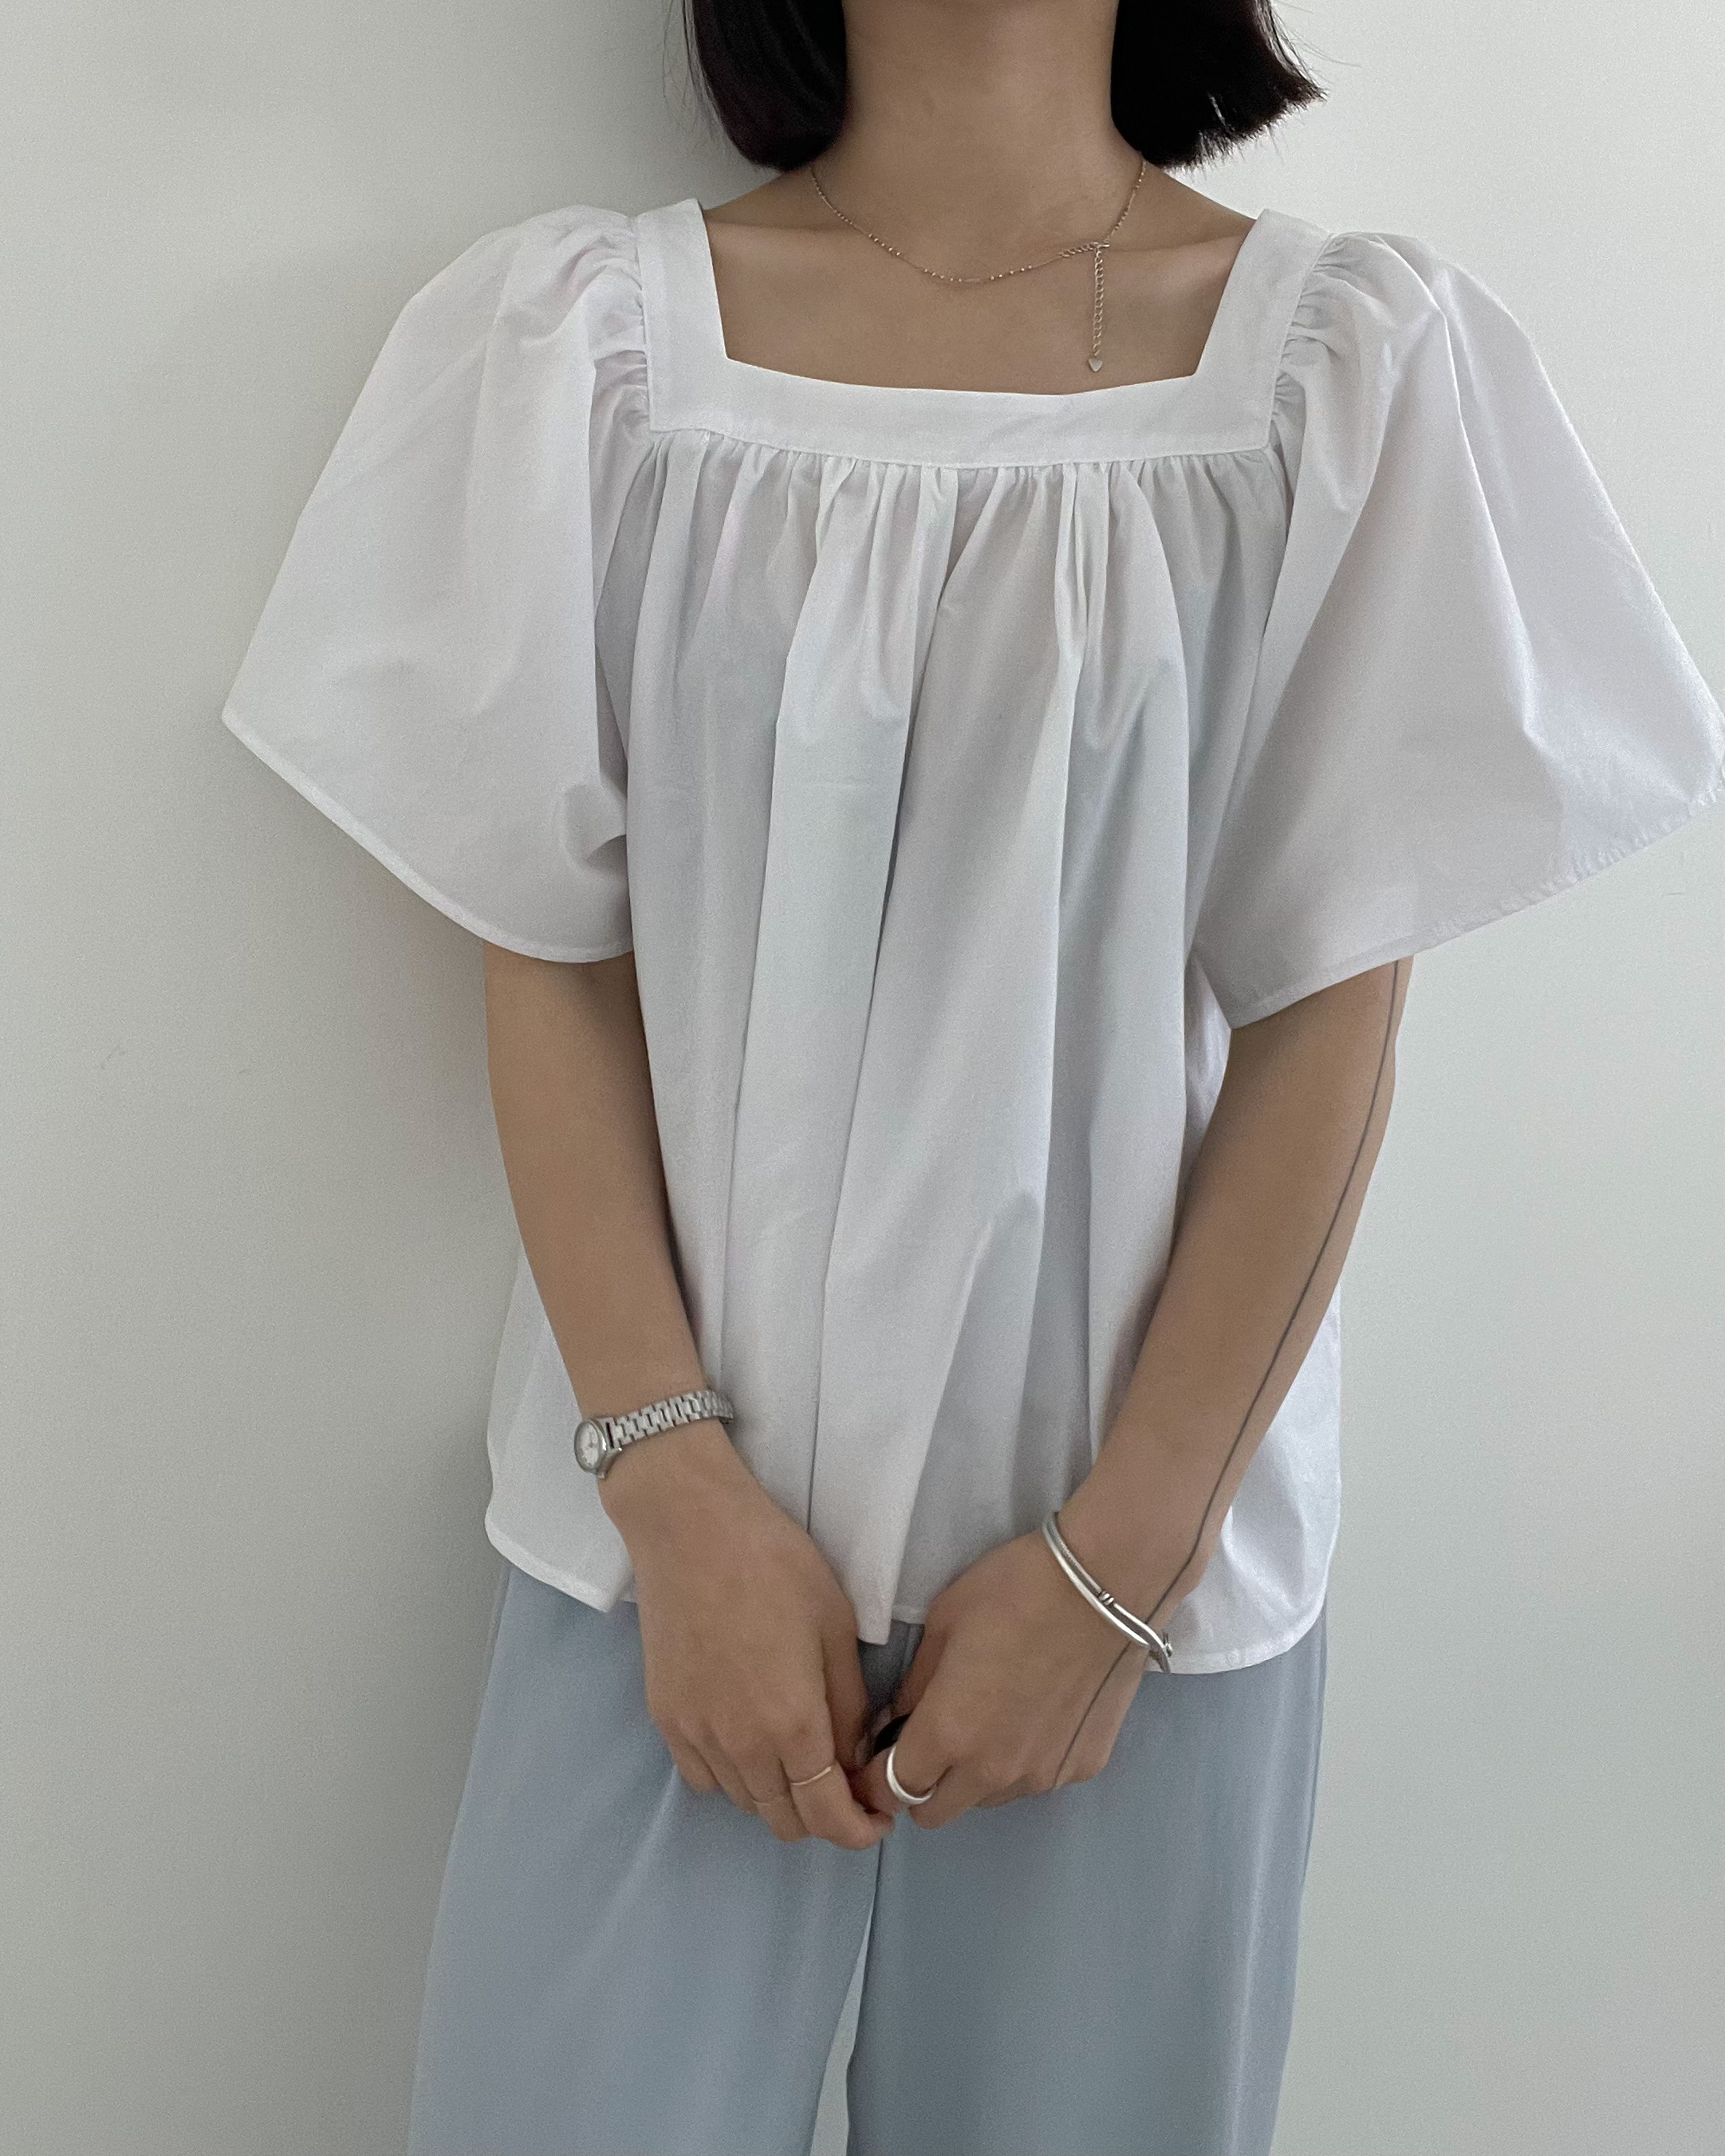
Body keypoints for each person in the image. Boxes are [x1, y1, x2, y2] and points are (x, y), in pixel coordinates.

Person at [218, 2, 1725, 2150]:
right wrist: (673, 1492)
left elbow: (1331, 1017)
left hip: (1140, 1595)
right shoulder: (591, 348)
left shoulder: (1341, 367)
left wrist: (1119, 1571)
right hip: (659, 1574)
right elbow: (545, 948)